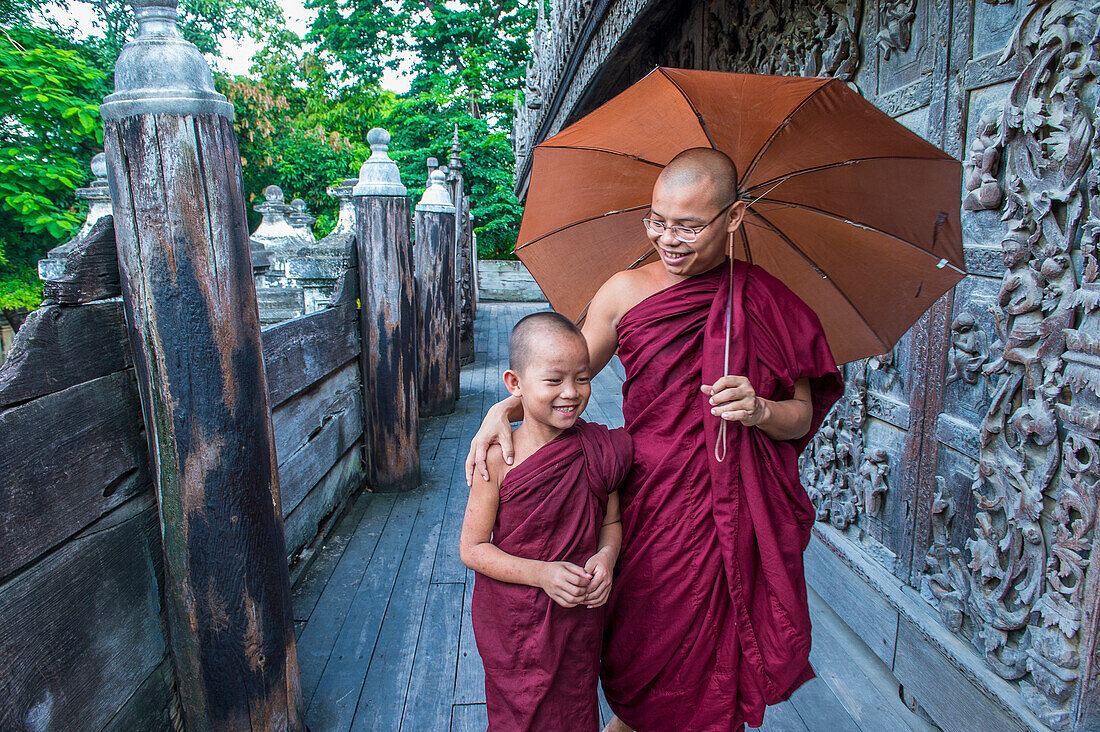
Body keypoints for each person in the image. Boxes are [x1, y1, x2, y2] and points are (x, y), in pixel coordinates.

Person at [466, 148, 845, 731]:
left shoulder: (767, 301)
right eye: (658, 221)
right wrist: (505, 406)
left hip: (732, 508)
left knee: (713, 662)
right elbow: (570, 370)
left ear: (735, 218)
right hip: (648, 496)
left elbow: (800, 414)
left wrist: (760, 407)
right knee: (647, 648)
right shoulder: (624, 291)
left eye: (690, 226)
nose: (669, 239)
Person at [460, 311, 633, 732]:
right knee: (521, 715)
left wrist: (607, 558)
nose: (571, 393)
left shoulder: (597, 449)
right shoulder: (499, 459)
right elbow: (473, 548)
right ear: (515, 385)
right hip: (517, 618)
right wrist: (541, 574)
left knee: (574, 707)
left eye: (583, 378)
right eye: (554, 381)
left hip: (577, 612)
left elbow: (611, 522)